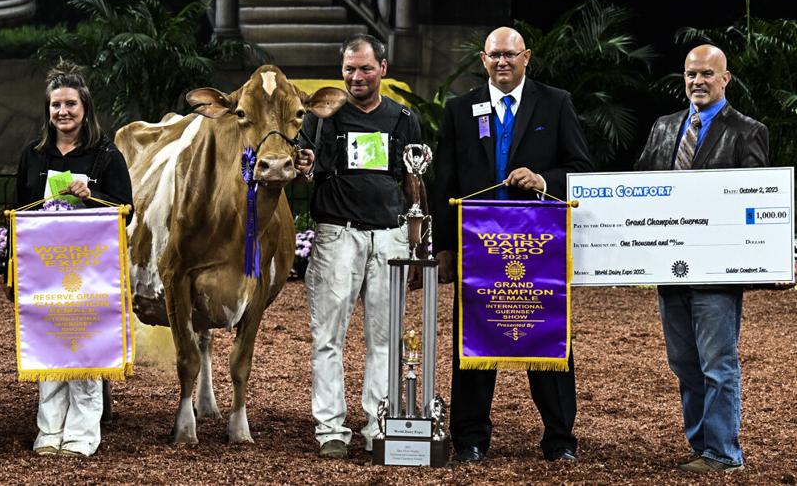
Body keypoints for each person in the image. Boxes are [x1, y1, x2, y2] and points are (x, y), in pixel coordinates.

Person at [429, 27, 593, 463]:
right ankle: (470, 439)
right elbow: (444, 177)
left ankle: (560, 441)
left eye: (510, 55)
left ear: (527, 58)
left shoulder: (555, 102)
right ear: (483, 60)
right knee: (472, 346)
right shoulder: (460, 109)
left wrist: (543, 181)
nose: (503, 62)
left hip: (539, 247)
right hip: (477, 248)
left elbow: (580, 168)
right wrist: (444, 245)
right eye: (495, 56)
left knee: (549, 343)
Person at [633, 44, 766, 473]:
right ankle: (702, 445)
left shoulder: (747, 131)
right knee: (684, 364)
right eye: (691, 74)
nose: (698, 82)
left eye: (707, 74)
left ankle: (724, 453)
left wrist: (769, 255)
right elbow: (636, 188)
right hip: (669, 268)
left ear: (725, 79)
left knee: (718, 364)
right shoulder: (664, 127)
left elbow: (758, 200)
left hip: (716, 273)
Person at [295, 34, 421, 459]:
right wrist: (304, 164)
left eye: (365, 68)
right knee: (328, 336)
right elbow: (303, 166)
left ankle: (379, 424)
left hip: (389, 234)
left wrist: (419, 238)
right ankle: (330, 428)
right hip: (337, 235)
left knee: (384, 338)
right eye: (349, 68)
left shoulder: (403, 118)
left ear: (383, 68)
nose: (357, 76)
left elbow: (413, 181)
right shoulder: (322, 114)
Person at [11, 64, 131, 458]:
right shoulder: (33, 154)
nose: (63, 111)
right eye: (56, 105)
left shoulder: (107, 156)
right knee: (49, 347)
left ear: (85, 107)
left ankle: (81, 433)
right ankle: (48, 430)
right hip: (45, 271)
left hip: (90, 271)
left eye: (71, 104)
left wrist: (90, 194)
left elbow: (126, 211)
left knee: (84, 348)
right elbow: (16, 211)